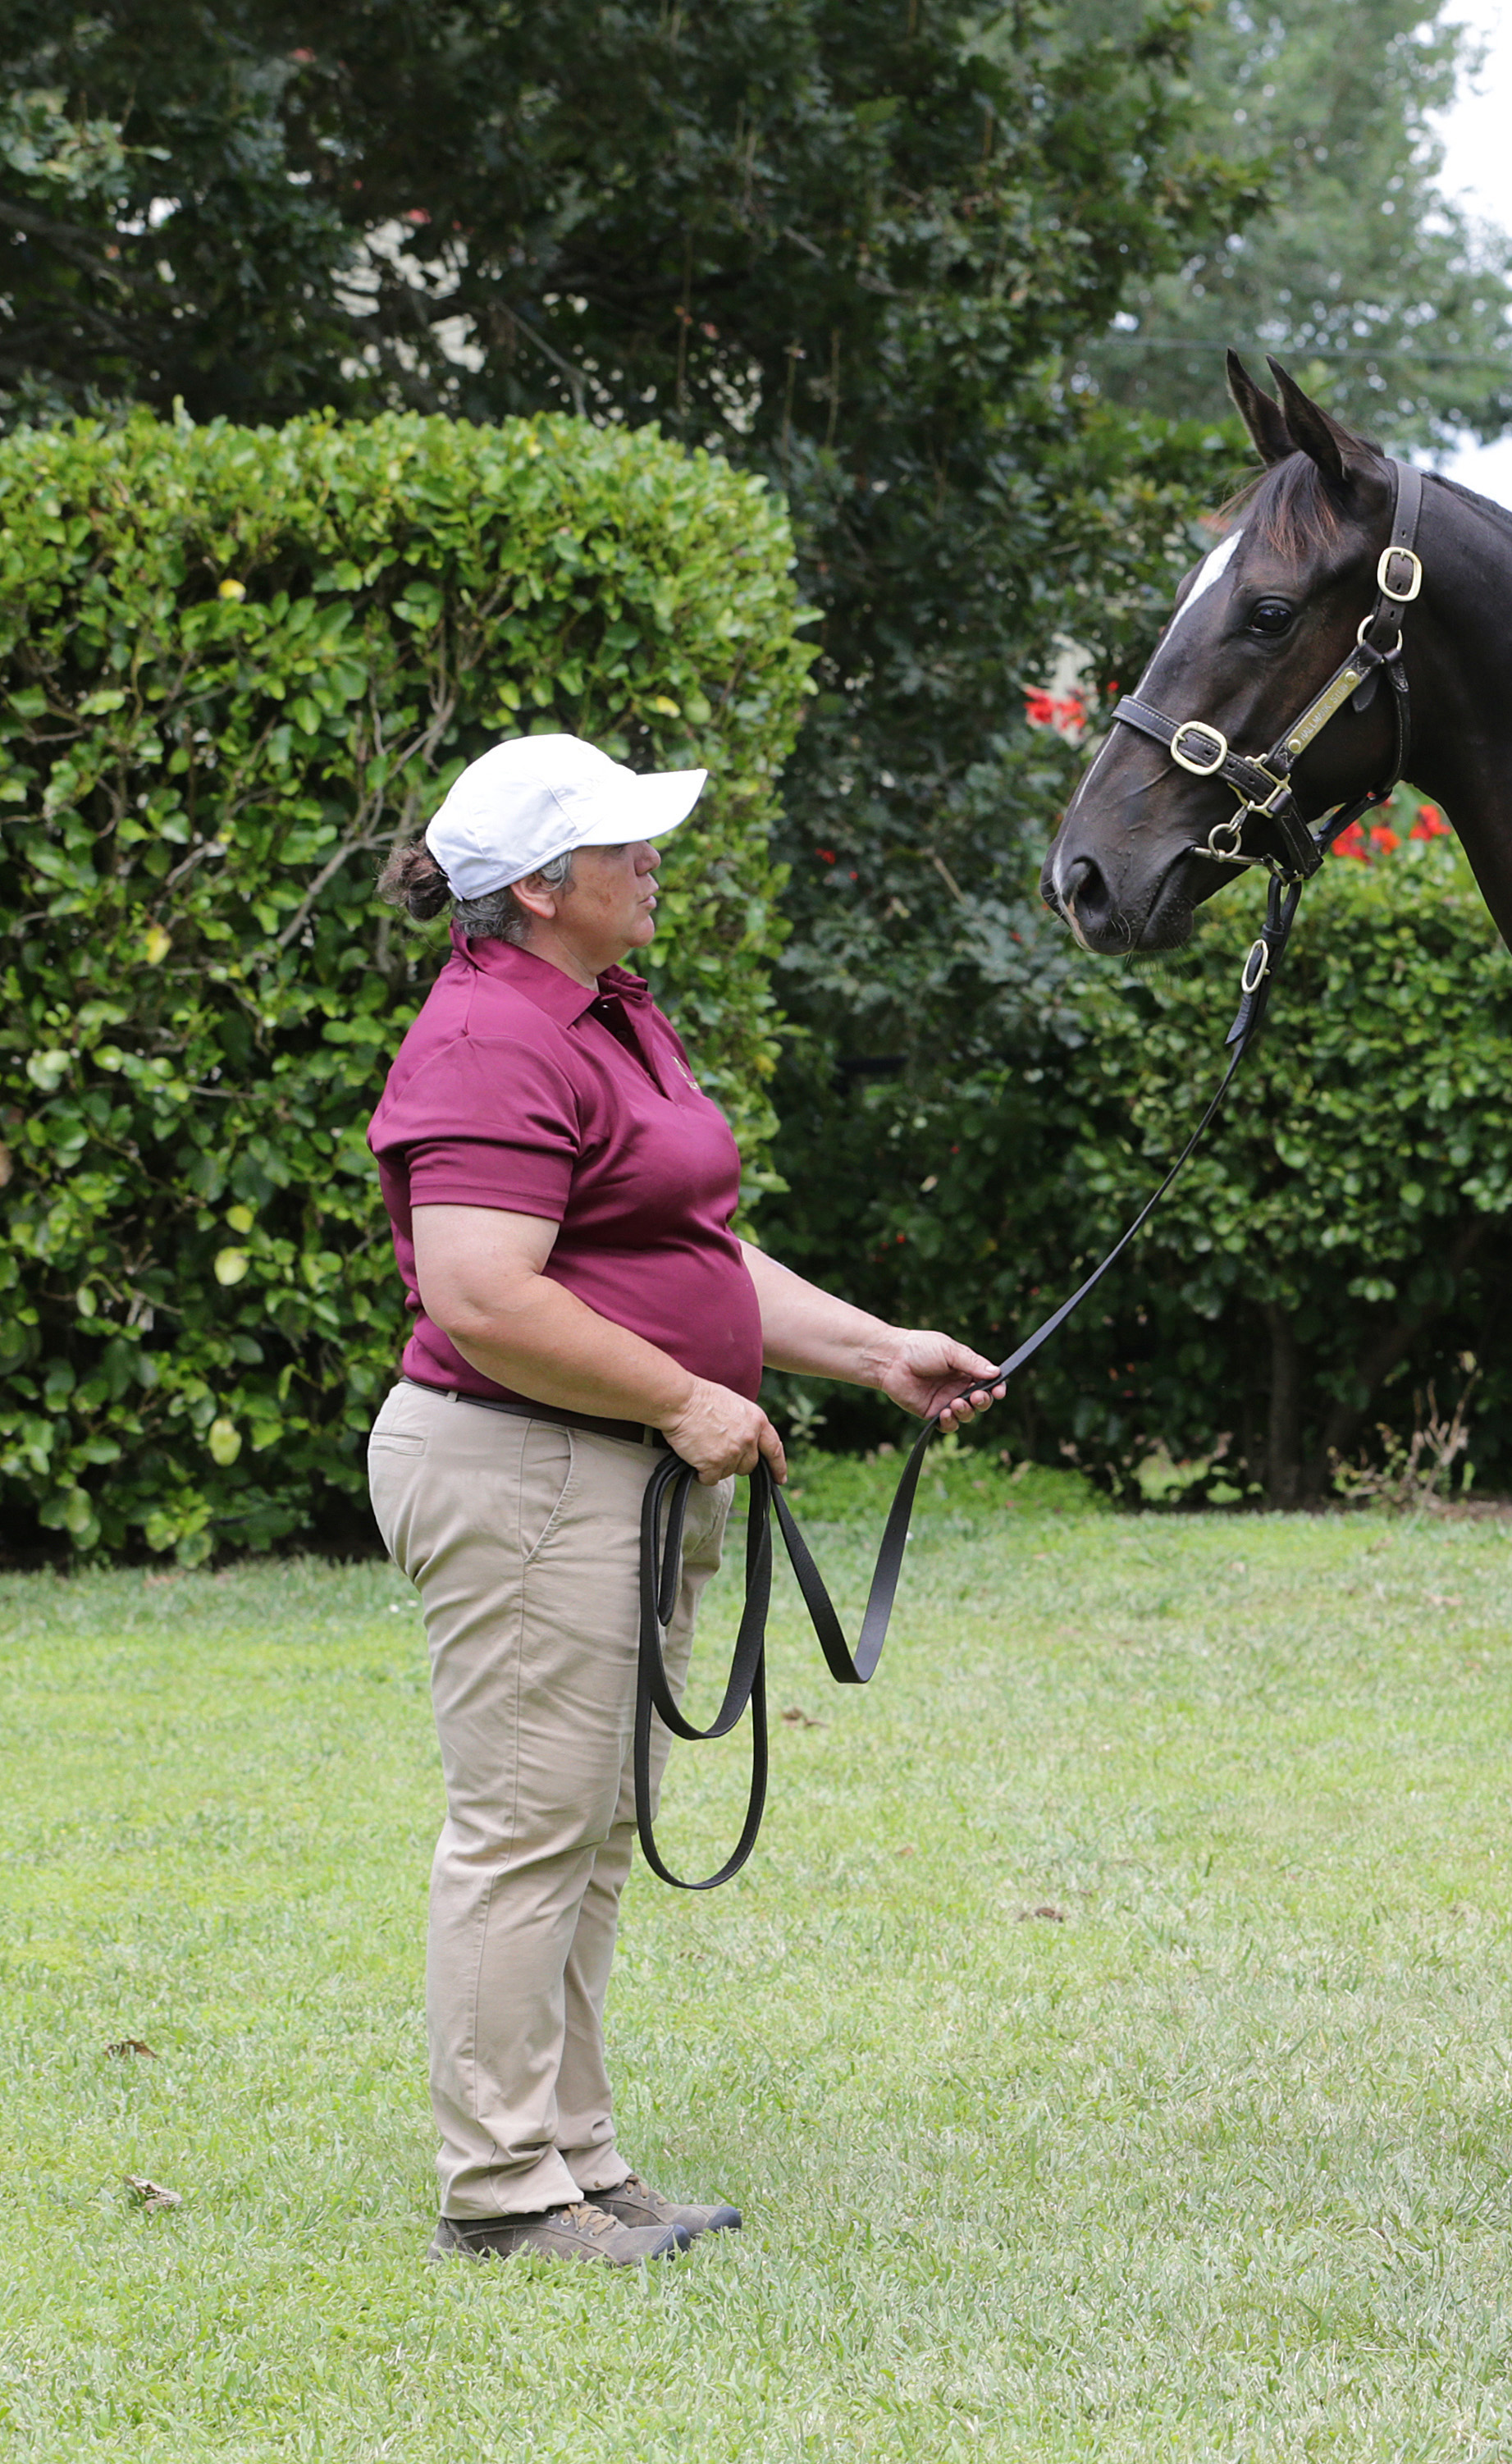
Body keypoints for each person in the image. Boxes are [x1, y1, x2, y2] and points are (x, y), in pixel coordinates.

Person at [363, 734, 1003, 2265]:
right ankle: (504, 2196)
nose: (654, 859)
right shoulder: (490, 1039)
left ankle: (575, 2157)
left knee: (590, 1831)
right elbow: (481, 1292)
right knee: (530, 1831)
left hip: (605, 1479)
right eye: (623, 843)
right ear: (540, 887)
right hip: (527, 1470)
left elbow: (690, 1249)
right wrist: (681, 1395)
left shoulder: (606, 1012)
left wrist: (875, 1351)